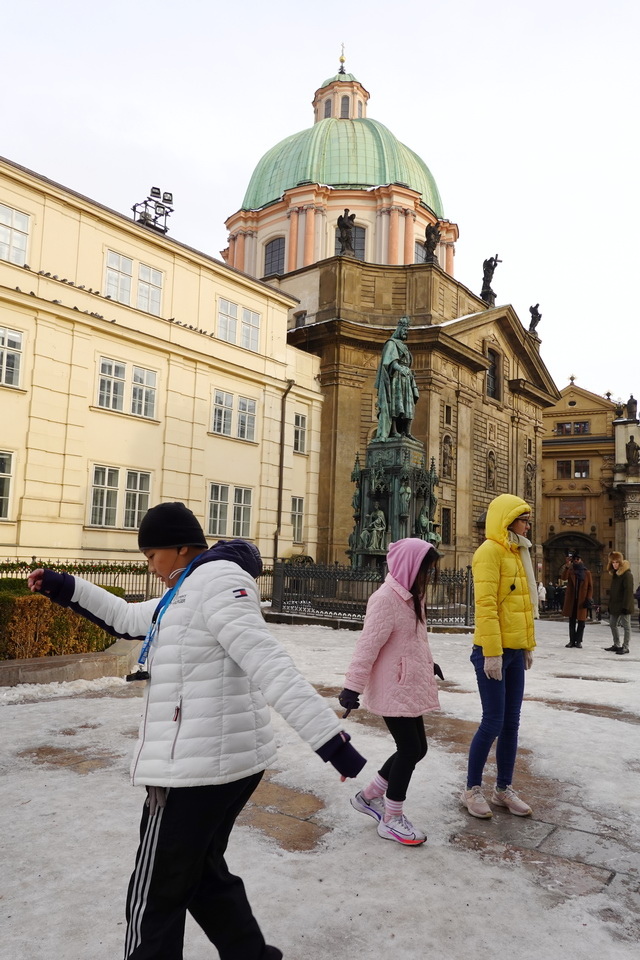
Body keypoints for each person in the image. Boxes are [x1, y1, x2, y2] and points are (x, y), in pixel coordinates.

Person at [28, 502, 366, 960]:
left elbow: (268, 661)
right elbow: (129, 620)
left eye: (152, 556)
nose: (149, 566)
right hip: (220, 760)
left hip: (194, 770)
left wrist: (333, 744)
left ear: (182, 548)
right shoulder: (187, 590)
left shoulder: (214, 585)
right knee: (200, 872)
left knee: (155, 893)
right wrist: (65, 586)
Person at [338, 539, 442, 845]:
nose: (428, 575)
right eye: (426, 569)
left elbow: (412, 641)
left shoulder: (413, 597)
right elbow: (367, 647)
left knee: (417, 749)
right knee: (410, 749)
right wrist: (351, 687)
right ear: (411, 566)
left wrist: (428, 663)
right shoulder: (386, 599)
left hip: (409, 684)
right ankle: (392, 818)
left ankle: (369, 796)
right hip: (392, 687)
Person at [460, 494, 536, 820]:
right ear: (507, 520)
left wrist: (527, 644)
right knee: (492, 721)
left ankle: (503, 789)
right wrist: (492, 653)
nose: (527, 524)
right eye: (522, 518)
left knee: (511, 724)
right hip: (492, 652)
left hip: (515, 652)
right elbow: (487, 606)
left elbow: (522, 604)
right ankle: (472, 789)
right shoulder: (488, 552)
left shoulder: (517, 552)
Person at [374, 316, 420, 441]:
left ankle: (407, 431)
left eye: (407, 331)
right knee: (396, 405)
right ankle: (394, 431)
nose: (406, 333)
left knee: (408, 406)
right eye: (405, 330)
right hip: (397, 379)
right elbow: (390, 361)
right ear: (399, 329)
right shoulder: (391, 343)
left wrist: (408, 372)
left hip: (406, 379)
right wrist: (401, 369)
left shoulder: (403, 346)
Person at [603, 551, 634, 655]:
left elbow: (628, 591)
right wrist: (610, 605)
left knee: (626, 626)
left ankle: (625, 647)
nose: (614, 564)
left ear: (620, 562)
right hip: (615, 605)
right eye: (613, 562)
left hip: (624, 605)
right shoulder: (615, 574)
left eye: (616, 562)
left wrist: (625, 606)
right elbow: (613, 592)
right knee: (612, 624)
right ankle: (616, 644)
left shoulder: (627, 574)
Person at [561, 553, 593, 648]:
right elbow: (563, 578)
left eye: (578, 558)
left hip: (582, 601)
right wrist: (567, 565)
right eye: (574, 559)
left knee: (581, 622)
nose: (576, 560)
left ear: (581, 560)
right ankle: (571, 641)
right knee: (571, 622)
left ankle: (578, 641)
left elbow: (590, 587)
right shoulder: (570, 571)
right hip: (572, 600)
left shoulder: (587, 572)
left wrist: (588, 598)